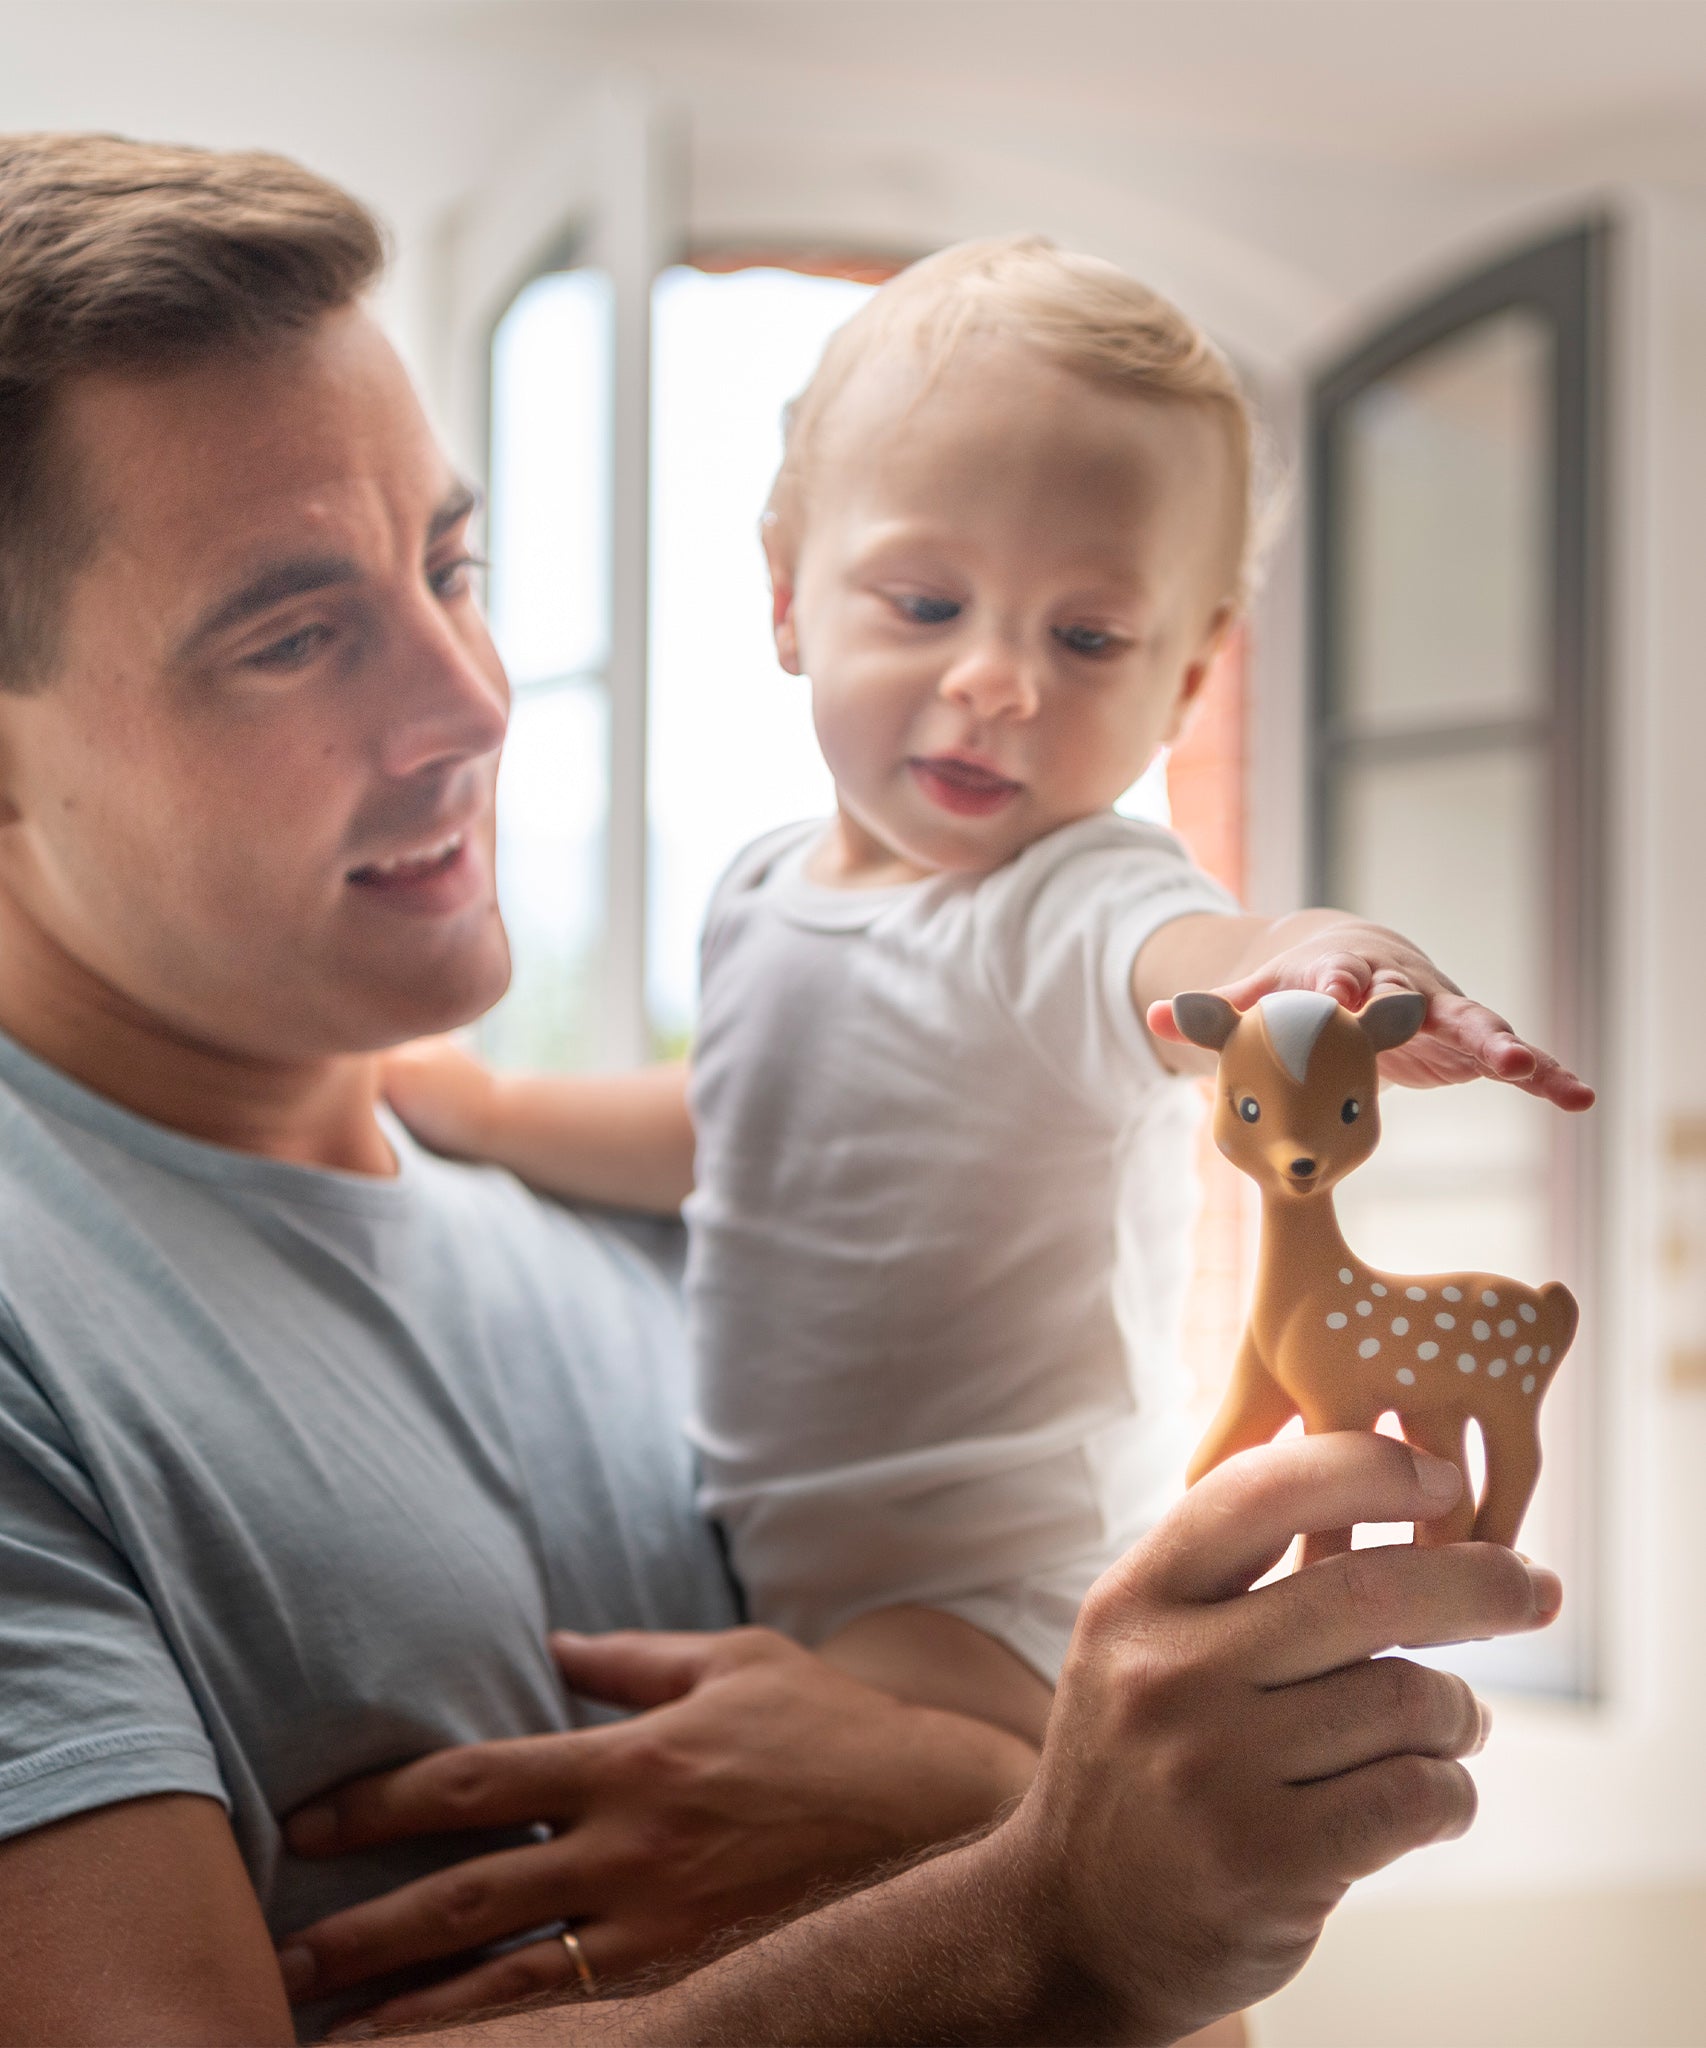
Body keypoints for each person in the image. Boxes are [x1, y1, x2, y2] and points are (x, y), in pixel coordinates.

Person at [0, 134, 1561, 2048]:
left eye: (451, 563)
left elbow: (1174, 1992)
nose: (477, 695)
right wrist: (1036, 1903)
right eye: (292, 632)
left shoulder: (632, 1239)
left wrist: (995, 1840)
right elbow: (1087, 1944)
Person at [386, 238, 1593, 1744]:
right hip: (786, 1558)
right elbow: (734, 1129)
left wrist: (1304, 962)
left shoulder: (1067, 897)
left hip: (998, 1607)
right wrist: (487, 1109)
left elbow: (1189, 954)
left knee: (733, 1778)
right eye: (924, 604)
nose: (998, 683)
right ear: (785, 596)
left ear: (1187, 679)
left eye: (1084, 638)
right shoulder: (762, 889)